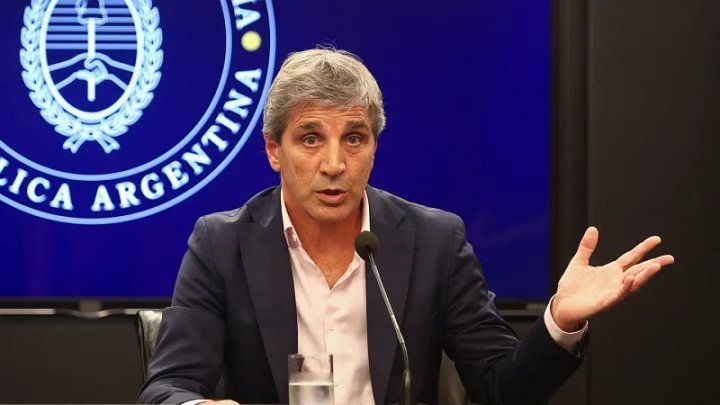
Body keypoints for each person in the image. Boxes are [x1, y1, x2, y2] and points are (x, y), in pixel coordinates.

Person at [137, 48, 674, 405]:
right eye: (310, 139)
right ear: (274, 150)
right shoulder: (222, 243)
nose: (334, 164)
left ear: (374, 147)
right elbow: (166, 388)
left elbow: (500, 389)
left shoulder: (436, 241)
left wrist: (560, 321)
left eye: (354, 138)